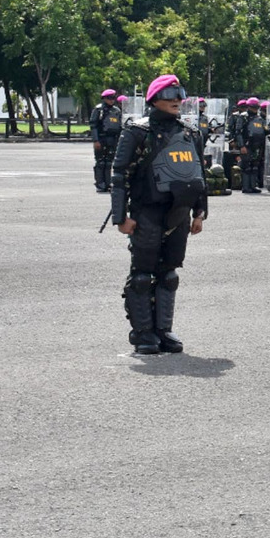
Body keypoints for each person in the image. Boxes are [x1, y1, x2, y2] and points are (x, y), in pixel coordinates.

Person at [111, 74, 207, 356]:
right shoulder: (137, 132)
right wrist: (120, 217)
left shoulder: (191, 133)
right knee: (142, 275)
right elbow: (119, 175)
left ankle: (163, 330)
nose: (177, 100)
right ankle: (143, 333)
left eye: (180, 94)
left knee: (169, 275)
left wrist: (199, 213)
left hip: (179, 214)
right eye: (169, 95)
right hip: (147, 212)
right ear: (154, 99)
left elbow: (198, 175)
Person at [89, 89, 125, 193]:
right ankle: (100, 183)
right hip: (101, 138)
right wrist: (95, 140)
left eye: (113, 98)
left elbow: (119, 126)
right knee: (100, 162)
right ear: (104, 98)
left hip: (113, 139)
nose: (111, 100)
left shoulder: (116, 111)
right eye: (109, 98)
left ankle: (108, 183)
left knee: (109, 163)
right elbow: (93, 125)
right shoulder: (99, 110)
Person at [241, 98, 268, 193]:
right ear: (249, 107)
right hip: (247, 145)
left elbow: (265, 129)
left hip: (258, 146)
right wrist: (241, 145)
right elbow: (238, 132)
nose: (255, 109)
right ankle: (246, 187)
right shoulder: (243, 117)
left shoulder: (260, 119)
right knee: (247, 166)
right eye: (253, 107)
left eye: (257, 107)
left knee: (255, 166)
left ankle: (253, 186)